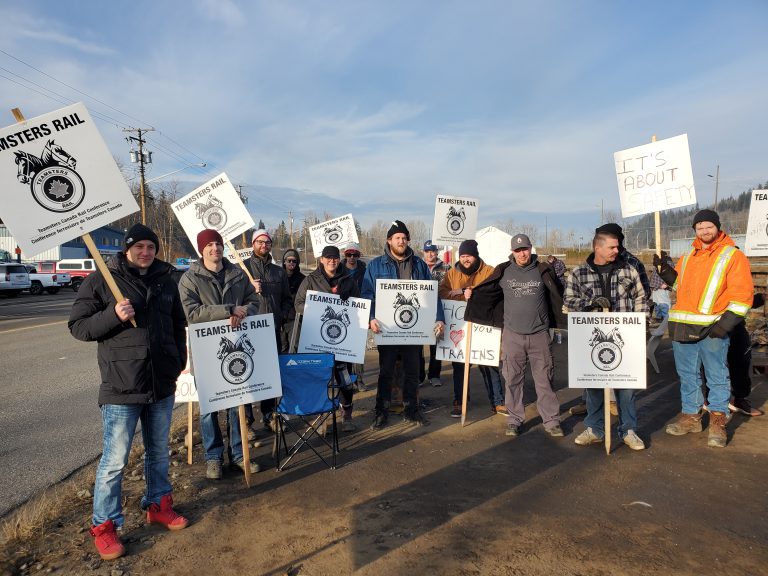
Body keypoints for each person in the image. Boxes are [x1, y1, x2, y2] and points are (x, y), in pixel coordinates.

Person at [69, 223, 189, 561]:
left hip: (161, 383)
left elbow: (177, 324)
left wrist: (177, 361)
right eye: (139, 247)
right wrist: (113, 315)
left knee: (159, 452)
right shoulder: (103, 280)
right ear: (127, 249)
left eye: (151, 247)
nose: (145, 253)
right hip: (122, 385)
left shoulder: (167, 280)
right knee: (115, 461)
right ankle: (105, 526)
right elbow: (78, 327)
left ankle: (158, 505)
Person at [659, 210, 754, 447]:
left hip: (713, 328)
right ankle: (691, 417)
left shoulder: (732, 255)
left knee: (717, 377)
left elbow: (743, 295)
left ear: (718, 227)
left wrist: (726, 324)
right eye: (699, 227)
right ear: (694, 230)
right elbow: (682, 286)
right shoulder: (689, 254)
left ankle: (718, 421)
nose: (704, 231)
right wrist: (666, 272)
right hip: (683, 326)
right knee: (688, 375)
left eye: (708, 226)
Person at [178, 229, 261, 478]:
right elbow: (192, 313)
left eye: (218, 244)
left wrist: (245, 310)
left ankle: (238, 454)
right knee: (208, 408)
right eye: (210, 245)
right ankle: (213, 457)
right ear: (201, 249)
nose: (215, 248)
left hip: (235, 347)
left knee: (236, 402)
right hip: (206, 352)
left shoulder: (238, 274)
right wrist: (228, 310)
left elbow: (254, 302)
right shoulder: (190, 279)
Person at [465, 234, 565, 437]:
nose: (522, 253)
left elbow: (558, 291)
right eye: (518, 250)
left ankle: (551, 420)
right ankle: (514, 419)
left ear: (530, 248)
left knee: (545, 379)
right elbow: (487, 291)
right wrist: (471, 294)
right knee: (512, 379)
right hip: (512, 335)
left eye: (525, 249)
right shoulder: (503, 271)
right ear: (512, 252)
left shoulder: (542, 269)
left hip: (539, 334)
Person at [564, 229, 648, 451]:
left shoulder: (628, 270)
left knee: (626, 387)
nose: (617, 250)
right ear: (597, 248)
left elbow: (640, 298)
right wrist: (589, 304)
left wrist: (641, 328)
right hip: (592, 340)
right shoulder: (578, 273)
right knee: (593, 386)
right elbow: (569, 301)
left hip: (623, 339)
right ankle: (595, 428)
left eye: (617, 246)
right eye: (612, 247)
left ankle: (628, 430)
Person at [362, 220, 445, 428]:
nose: (401, 241)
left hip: (414, 329)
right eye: (397, 237)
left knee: (412, 370)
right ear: (389, 240)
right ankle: (381, 410)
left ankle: (412, 409)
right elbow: (367, 295)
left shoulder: (419, 265)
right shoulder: (375, 265)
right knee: (386, 371)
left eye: (404, 237)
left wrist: (439, 318)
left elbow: (431, 294)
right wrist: (370, 317)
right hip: (386, 329)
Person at [294, 245, 361, 431]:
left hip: (343, 339)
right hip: (318, 337)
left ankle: (346, 414)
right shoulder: (311, 280)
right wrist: (315, 308)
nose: (332, 261)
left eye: (335, 257)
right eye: (328, 257)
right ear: (321, 260)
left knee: (345, 380)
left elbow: (360, 306)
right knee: (320, 379)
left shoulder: (349, 279)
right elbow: (298, 304)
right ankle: (322, 416)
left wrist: (350, 303)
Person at [439, 239, 505, 418]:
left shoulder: (489, 271)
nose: (465, 259)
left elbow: (497, 291)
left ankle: (497, 401)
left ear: (475, 256)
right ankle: (460, 400)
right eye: (462, 256)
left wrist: (474, 292)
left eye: (469, 256)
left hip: (483, 326)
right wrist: (460, 292)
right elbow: (442, 292)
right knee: (459, 366)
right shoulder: (452, 273)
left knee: (488, 365)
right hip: (459, 327)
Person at [244, 229, 292, 431]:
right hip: (248, 331)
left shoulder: (278, 272)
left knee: (269, 375)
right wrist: (249, 287)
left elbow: (287, 300)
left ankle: (269, 414)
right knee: (246, 375)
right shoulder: (241, 269)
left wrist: (282, 317)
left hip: (272, 329)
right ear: (253, 243)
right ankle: (245, 421)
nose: (264, 245)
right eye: (260, 242)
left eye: (268, 242)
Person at [422, 239, 449, 387]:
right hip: (421, 308)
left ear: (437, 252)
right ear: (423, 252)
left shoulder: (446, 267)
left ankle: (434, 375)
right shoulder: (417, 265)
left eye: (432, 251)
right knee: (417, 344)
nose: (430, 254)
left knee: (436, 342)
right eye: (427, 251)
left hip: (438, 307)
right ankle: (419, 376)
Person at [343, 242, 367, 389]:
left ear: (358, 256)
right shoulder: (338, 269)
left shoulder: (365, 270)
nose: (352, 257)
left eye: (355, 255)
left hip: (360, 311)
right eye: (349, 254)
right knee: (344, 347)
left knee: (358, 348)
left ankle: (359, 379)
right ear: (345, 255)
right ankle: (347, 379)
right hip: (344, 311)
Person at [281, 248, 305, 352]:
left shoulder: (303, 279)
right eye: (289, 260)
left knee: (294, 347)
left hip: (295, 319)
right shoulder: (278, 276)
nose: (291, 263)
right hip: (280, 318)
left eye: (294, 261)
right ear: (284, 261)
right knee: (281, 347)